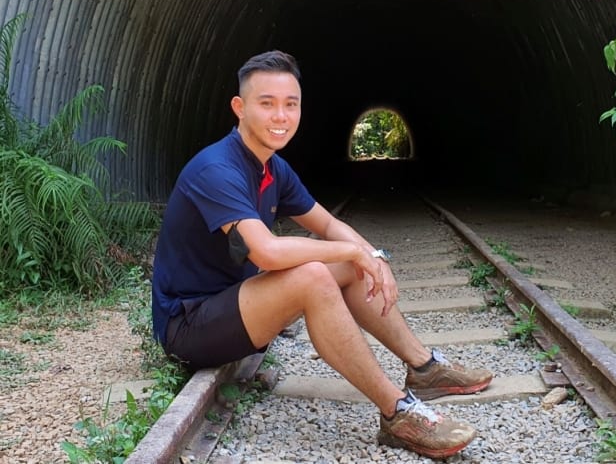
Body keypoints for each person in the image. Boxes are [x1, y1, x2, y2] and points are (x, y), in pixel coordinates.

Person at [151, 50, 493, 459]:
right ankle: (397, 412)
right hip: (188, 326)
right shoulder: (217, 169)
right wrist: (355, 250)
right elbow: (268, 251)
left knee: (348, 261)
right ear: (239, 108)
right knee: (314, 275)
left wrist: (370, 255)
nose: (281, 116)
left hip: (234, 304)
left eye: (290, 105)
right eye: (267, 103)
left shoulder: (273, 168)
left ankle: (425, 368)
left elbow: (328, 224)